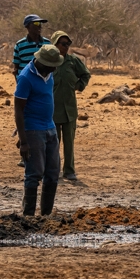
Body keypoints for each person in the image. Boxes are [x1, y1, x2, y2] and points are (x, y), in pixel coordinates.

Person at [15, 45, 64, 216]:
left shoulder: (48, 74)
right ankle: (28, 216)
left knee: (53, 172)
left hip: (50, 128)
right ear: (42, 62)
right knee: (34, 174)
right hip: (34, 130)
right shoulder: (26, 78)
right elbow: (18, 110)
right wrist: (23, 140)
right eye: (51, 64)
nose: (54, 68)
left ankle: (46, 215)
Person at [49, 31, 91, 181]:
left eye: (68, 44)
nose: (66, 47)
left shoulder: (73, 61)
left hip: (70, 110)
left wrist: (79, 86)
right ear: (55, 45)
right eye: (63, 44)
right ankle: (53, 170)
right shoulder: (49, 61)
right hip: (52, 110)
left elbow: (86, 75)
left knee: (69, 143)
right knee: (53, 143)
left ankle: (69, 170)